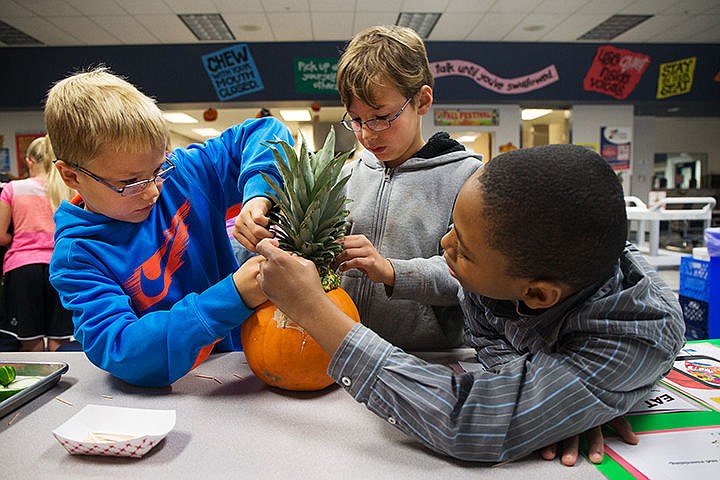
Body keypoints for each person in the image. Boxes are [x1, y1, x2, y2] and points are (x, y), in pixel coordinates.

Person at [253, 143, 685, 464]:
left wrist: (313, 310)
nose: (444, 247)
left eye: (462, 250)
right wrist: (554, 400)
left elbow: (467, 420)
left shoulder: (634, 335)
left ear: (536, 294)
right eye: (453, 230)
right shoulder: (501, 271)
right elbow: (488, 334)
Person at [45, 67, 292, 387]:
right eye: (129, 182)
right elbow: (122, 349)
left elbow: (265, 131)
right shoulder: (78, 257)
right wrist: (234, 295)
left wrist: (258, 196)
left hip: (245, 368)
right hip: (171, 394)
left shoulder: (184, 173)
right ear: (72, 176)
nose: (152, 191)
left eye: (157, 168)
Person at [336, 25, 483, 349]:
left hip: (425, 360)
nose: (367, 134)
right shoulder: (344, 176)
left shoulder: (467, 179)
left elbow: (471, 277)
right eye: (356, 119)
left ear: (422, 100)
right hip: (341, 353)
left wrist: (391, 271)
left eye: (381, 117)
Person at [0, 136, 75, 351]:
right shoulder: (67, 189)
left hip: (24, 269)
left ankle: (39, 384)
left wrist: (16, 239)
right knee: (60, 340)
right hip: (61, 267)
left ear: (30, 161)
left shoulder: (13, 188)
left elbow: (0, 234)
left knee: (30, 340)